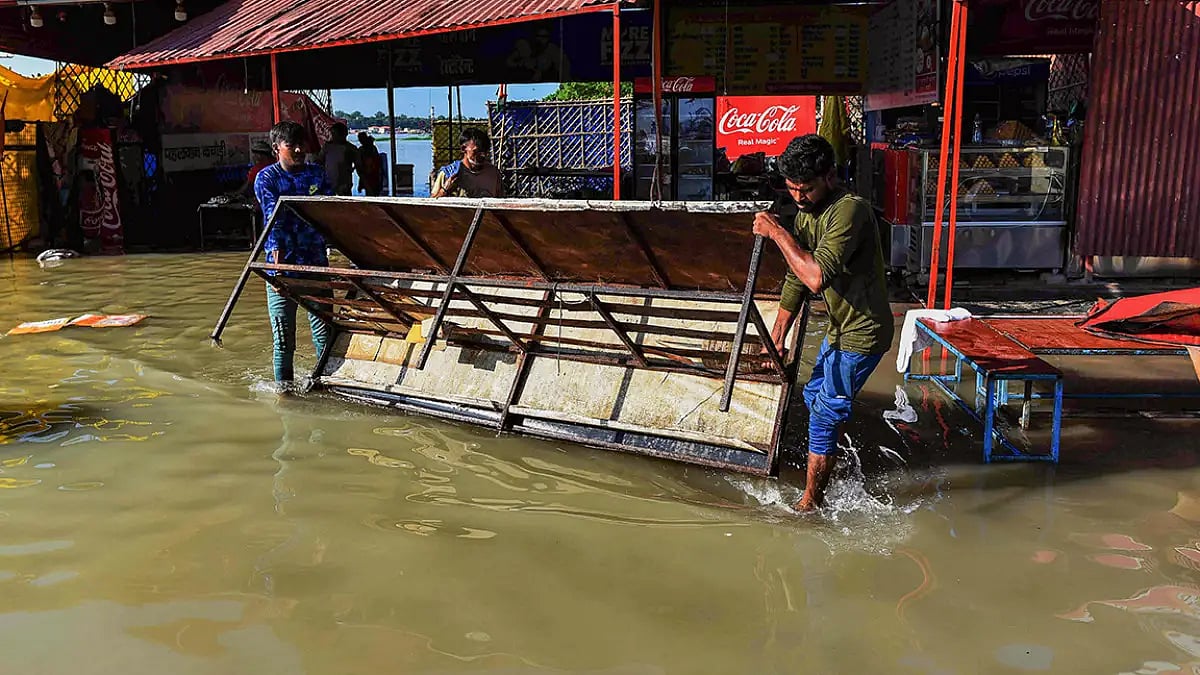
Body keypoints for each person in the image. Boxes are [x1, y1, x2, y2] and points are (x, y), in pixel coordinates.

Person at [751, 134, 894, 512]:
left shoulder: (850, 210)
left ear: (830, 176)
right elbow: (795, 279)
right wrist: (775, 338)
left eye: (807, 189)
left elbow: (815, 277)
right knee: (815, 399)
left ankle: (810, 505)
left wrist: (778, 232)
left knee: (824, 415)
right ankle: (831, 462)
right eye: (792, 188)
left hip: (864, 330)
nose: (798, 197)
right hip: (839, 326)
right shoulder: (806, 215)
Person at [254, 121, 334, 387]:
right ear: (277, 148)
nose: (299, 150)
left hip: (315, 262)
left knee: (325, 333)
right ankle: (284, 393)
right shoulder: (267, 178)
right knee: (283, 338)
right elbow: (271, 219)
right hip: (283, 265)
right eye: (292, 145)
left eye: (302, 144)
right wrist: (276, 266)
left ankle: (326, 384)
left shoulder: (316, 175)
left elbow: (333, 213)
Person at [430, 128, 503, 198]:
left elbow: (501, 204)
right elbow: (430, 206)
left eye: (485, 152)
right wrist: (444, 190)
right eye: (477, 151)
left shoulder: (494, 174)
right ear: (463, 149)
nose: (483, 155)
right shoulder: (449, 174)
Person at [315, 122, 358, 195]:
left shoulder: (350, 148)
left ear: (344, 134)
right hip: (328, 184)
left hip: (344, 185)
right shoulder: (327, 147)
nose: (333, 136)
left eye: (335, 134)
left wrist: (352, 169)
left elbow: (359, 163)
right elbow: (319, 161)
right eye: (332, 134)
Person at [355, 132, 384, 197]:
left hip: (369, 175)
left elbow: (359, 166)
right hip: (373, 174)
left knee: (370, 193)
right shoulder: (373, 148)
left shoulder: (362, 150)